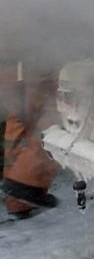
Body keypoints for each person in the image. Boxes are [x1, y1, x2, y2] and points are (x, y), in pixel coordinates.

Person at [2, 59, 60, 219]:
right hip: (33, 65)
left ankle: (17, 200)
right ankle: (26, 185)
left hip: (15, 66)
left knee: (17, 125)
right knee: (52, 120)